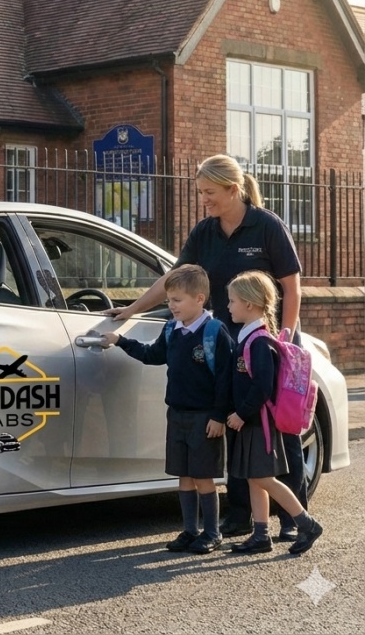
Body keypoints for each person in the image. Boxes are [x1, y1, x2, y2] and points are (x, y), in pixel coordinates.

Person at [107, 154, 306, 540]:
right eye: (200, 192)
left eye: (209, 192)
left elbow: (291, 288)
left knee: (277, 432)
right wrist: (131, 309)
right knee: (234, 427)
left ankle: (291, 518)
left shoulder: (266, 226)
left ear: (233, 190)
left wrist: (284, 339)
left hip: (267, 345)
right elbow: (174, 279)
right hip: (229, 348)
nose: (204, 200)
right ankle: (242, 516)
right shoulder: (205, 231)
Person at [101, 265, 234, 554]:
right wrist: (122, 342)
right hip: (177, 414)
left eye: (177, 300)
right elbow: (153, 355)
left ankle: (212, 533)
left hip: (204, 417)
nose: (171, 306)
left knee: (202, 476)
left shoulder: (214, 332)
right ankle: (189, 530)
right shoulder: (172, 329)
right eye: (169, 300)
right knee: (183, 475)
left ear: (199, 299)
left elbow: (225, 379)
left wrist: (218, 416)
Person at [224, 270, 322, 555]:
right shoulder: (250, 338)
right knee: (255, 478)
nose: (228, 306)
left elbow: (262, 387)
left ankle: (306, 523)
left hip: (259, 423)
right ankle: (261, 534)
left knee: (264, 479)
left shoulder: (258, 342)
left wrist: (241, 413)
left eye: (232, 301)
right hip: (252, 423)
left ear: (250, 305)